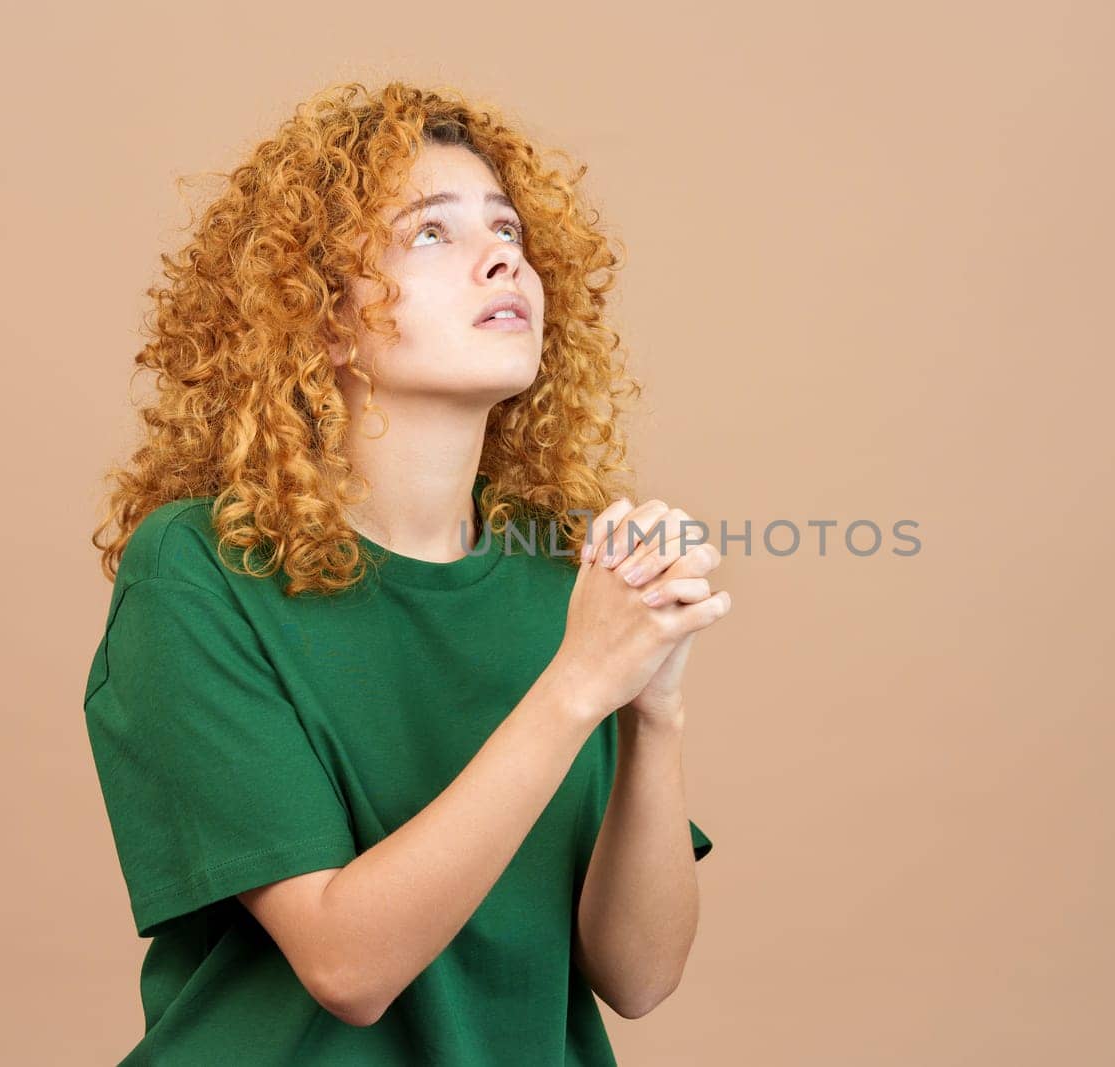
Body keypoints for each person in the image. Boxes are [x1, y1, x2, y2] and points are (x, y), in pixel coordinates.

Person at [82, 80, 732, 1065]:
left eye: (507, 227)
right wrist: (577, 684)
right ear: (323, 316)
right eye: (431, 233)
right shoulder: (196, 570)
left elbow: (638, 975)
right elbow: (346, 963)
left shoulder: (559, 570)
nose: (502, 254)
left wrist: (654, 712)